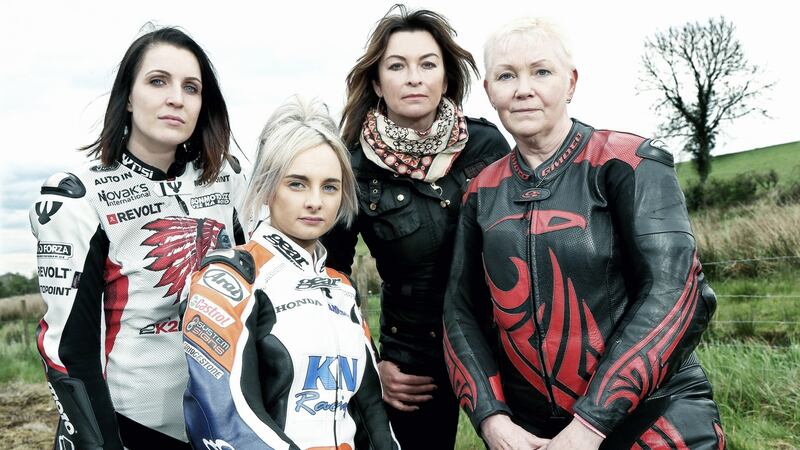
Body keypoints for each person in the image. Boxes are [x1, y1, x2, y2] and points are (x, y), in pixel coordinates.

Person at [443, 18, 726, 450]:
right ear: (489, 91)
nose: (523, 88)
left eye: (541, 71)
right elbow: (459, 312)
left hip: (655, 419)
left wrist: (589, 427)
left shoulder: (630, 161)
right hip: (531, 433)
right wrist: (492, 420)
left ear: (570, 82)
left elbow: (677, 292)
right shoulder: (480, 192)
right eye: (506, 75)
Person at [30, 27, 246, 449]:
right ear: (128, 97)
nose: (176, 98)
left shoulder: (229, 180)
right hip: (130, 426)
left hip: (221, 423)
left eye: (191, 87)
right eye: (157, 81)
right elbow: (69, 350)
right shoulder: (80, 195)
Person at [321, 5, 511, 448]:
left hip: (503, 343)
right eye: (397, 66)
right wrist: (372, 367)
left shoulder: (487, 144)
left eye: (428, 64)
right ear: (376, 82)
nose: (414, 77)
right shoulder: (351, 168)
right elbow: (330, 281)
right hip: (412, 359)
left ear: (446, 78)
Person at [181, 95, 399, 449]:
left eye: (329, 186)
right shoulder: (228, 279)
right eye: (297, 183)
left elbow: (371, 409)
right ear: (267, 188)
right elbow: (223, 418)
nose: (315, 201)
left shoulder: (341, 288)